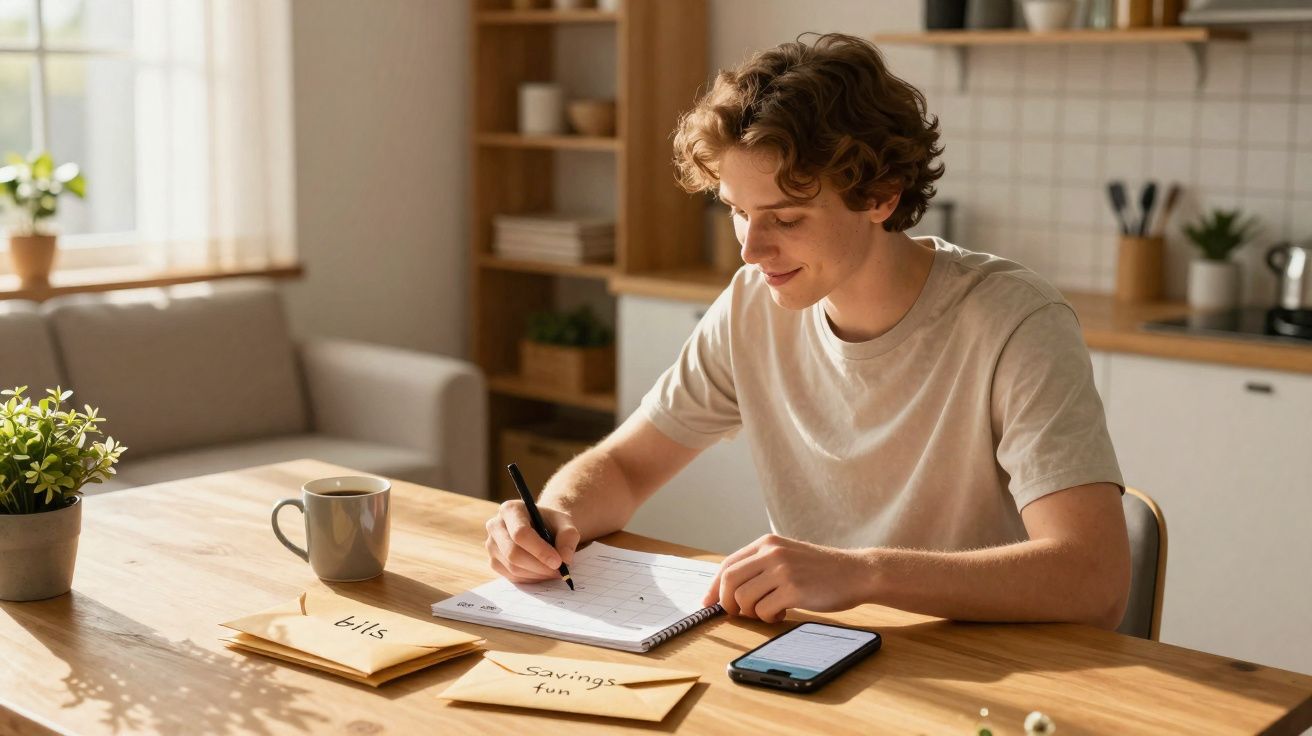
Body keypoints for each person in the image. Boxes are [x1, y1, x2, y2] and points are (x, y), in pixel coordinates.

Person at [484, 32, 1130, 629]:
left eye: (786, 219)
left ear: (880, 196)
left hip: (994, 669)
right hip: (820, 655)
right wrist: (555, 515)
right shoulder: (751, 306)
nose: (751, 250)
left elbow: (1091, 574)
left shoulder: (1014, 322)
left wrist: (863, 573)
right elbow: (625, 468)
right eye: (737, 212)